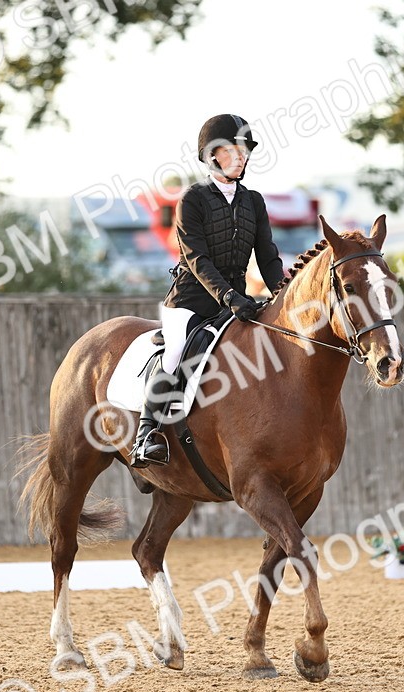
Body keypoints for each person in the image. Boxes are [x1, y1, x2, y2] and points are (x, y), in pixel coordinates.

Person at [130, 114, 286, 468]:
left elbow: (268, 257)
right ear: (212, 155)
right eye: (233, 150)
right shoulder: (192, 200)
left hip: (238, 302)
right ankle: (146, 433)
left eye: (245, 151)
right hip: (191, 300)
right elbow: (197, 259)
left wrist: (283, 294)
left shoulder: (254, 202)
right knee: (175, 351)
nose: (242, 157)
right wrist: (229, 297)